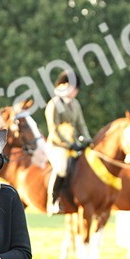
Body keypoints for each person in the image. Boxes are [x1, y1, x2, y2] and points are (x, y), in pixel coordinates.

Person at [43, 69, 91, 214]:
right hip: (57, 145)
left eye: (75, 88)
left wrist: (88, 139)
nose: (75, 91)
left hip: (73, 143)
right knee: (62, 167)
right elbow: (54, 130)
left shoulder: (75, 104)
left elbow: (81, 124)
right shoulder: (53, 104)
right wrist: (69, 144)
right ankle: (52, 201)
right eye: (72, 88)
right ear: (63, 86)